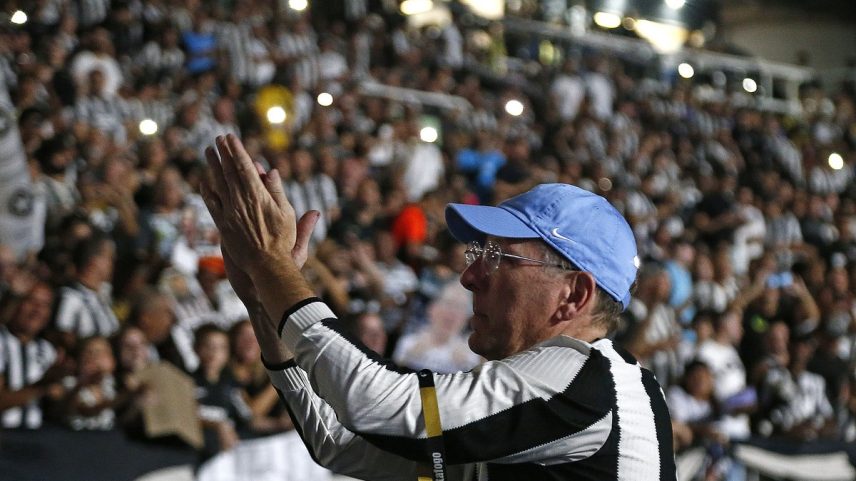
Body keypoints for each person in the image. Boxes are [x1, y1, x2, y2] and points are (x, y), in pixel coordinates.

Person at [200, 134, 676, 480]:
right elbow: (340, 443)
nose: (469, 276)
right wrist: (263, 300)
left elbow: (378, 403)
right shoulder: (550, 415)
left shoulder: (587, 381)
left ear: (573, 294)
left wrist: (272, 265)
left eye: (498, 257)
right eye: (477, 254)